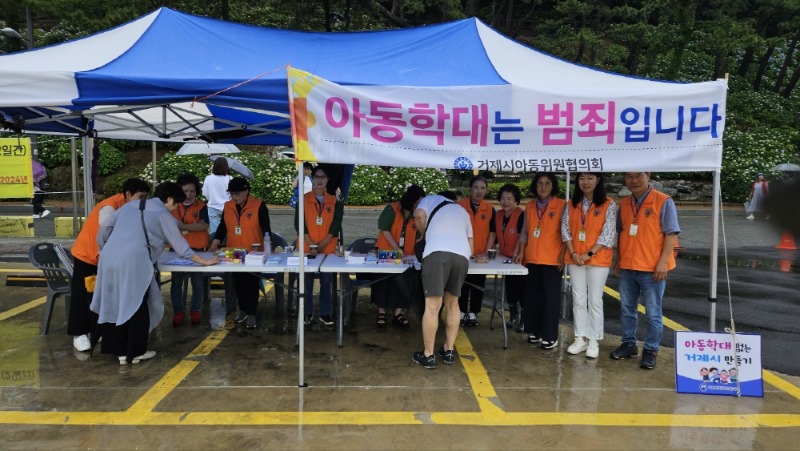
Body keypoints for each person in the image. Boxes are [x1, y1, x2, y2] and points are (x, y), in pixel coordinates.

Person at [92, 182, 218, 365]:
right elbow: (181, 246)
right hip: (134, 261)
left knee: (116, 303)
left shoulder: (130, 206)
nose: (175, 209)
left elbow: (104, 229)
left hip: (109, 258)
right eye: (175, 204)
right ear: (168, 199)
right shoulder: (161, 214)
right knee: (136, 304)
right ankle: (135, 353)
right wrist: (205, 261)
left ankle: (119, 351)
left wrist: (108, 249)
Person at [68, 178, 151, 352]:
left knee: (103, 296)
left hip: (108, 258)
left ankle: (98, 331)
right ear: (128, 194)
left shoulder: (131, 207)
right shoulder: (109, 207)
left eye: (146, 197)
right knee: (83, 296)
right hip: (88, 255)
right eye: (140, 197)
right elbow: (107, 235)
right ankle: (79, 334)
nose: (143, 201)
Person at [611, 172, 680, 370]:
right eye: (629, 176)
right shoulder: (624, 204)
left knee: (653, 313)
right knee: (627, 309)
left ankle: (650, 350)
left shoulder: (663, 201)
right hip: (628, 267)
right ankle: (629, 344)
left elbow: (671, 234)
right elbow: (622, 234)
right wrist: (619, 260)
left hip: (652, 269)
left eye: (638, 176)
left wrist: (663, 263)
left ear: (648, 175)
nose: (633, 180)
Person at [412, 194, 473, 369]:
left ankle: (428, 355)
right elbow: (471, 247)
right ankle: (448, 350)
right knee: (453, 304)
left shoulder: (429, 199)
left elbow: (419, 215)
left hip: (437, 253)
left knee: (432, 306)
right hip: (461, 256)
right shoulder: (463, 211)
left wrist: (424, 234)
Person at [561, 173, 616, 359]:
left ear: (598, 180)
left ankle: (594, 340)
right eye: (582, 178)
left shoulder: (609, 204)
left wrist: (588, 254)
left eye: (590, 178)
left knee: (594, 299)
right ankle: (580, 337)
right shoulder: (571, 204)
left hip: (597, 260)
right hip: (575, 258)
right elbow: (565, 230)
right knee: (578, 298)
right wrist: (574, 253)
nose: (585, 182)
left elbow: (608, 234)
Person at [209, 177, 272, 329]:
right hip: (234, 252)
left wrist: (269, 246)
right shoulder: (228, 206)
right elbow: (223, 226)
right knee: (238, 282)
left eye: (237, 193)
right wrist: (216, 241)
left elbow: (266, 228)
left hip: (253, 253)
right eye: (232, 194)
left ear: (246, 191)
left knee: (251, 282)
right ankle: (243, 310)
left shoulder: (258, 205)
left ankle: (252, 313)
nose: (234, 197)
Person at [514, 172, 566, 350]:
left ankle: (550, 335)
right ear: (535, 186)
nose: (543, 187)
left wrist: (564, 253)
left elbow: (567, 233)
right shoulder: (529, 206)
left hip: (552, 259)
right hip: (532, 258)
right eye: (540, 184)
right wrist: (521, 251)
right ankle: (535, 331)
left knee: (550, 299)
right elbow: (524, 233)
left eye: (547, 184)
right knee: (533, 297)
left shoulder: (562, 206)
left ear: (553, 187)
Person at [295, 166, 344, 326]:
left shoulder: (334, 200)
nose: (320, 180)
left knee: (326, 281)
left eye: (323, 177)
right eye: (317, 176)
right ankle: (307, 312)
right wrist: (312, 244)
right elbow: (298, 224)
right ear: (312, 179)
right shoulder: (303, 199)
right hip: (307, 247)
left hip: (327, 248)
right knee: (306, 281)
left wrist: (324, 243)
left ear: (327, 180)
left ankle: (325, 313)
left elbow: (336, 224)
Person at [373, 184, 426, 328]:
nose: (419, 205)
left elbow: (420, 235)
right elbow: (384, 228)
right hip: (387, 252)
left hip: (406, 255)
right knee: (383, 280)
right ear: (410, 199)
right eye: (417, 202)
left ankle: (398, 313)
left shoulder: (418, 214)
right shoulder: (392, 209)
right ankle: (381, 312)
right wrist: (397, 249)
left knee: (403, 281)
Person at [170, 174, 210, 326]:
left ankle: (195, 310)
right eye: (185, 191)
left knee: (197, 282)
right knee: (176, 282)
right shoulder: (173, 204)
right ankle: (178, 311)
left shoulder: (201, 206)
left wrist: (183, 226)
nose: (189, 194)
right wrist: (193, 225)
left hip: (197, 248)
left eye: (192, 191)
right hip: (176, 248)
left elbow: (204, 225)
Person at [456, 175, 496, 327]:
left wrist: (486, 252)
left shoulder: (490, 209)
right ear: (470, 189)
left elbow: (492, 233)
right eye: (476, 187)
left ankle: (473, 312)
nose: (479, 191)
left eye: (483, 188)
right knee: (461, 283)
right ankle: (460, 311)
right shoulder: (459, 207)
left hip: (480, 255)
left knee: (478, 283)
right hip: (462, 253)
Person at [494, 184, 525, 333]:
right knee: (510, 290)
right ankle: (513, 317)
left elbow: (521, 237)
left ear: (516, 201)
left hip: (519, 260)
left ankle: (524, 320)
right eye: (503, 198)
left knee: (522, 289)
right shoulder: (498, 215)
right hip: (505, 259)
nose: (505, 202)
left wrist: (516, 253)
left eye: (509, 199)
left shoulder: (521, 215)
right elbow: (494, 234)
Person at [202, 157, 232, 240]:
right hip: (227, 208)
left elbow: (205, 193)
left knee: (215, 233)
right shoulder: (230, 178)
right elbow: (232, 195)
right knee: (228, 231)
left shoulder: (209, 178)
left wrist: (212, 198)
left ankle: (216, 250)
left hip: (213, 207)